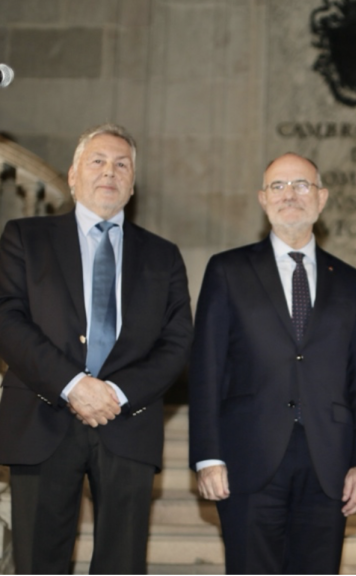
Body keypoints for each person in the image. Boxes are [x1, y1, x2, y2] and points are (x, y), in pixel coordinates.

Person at [0, 123, 193, 574]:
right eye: (98, 161)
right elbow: (7, 317)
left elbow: (178, 340)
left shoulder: (163, 256)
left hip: (129, 422)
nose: (110, 171)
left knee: (122, 565)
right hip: (41, 419)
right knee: (38, 563)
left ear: (132, 184)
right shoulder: (25, 238)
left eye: (122, 164)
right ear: (71, 175)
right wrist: (72, 385)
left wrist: (116, 394)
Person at [188, 153, 356, 574]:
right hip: (246, 458)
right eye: (278, 186)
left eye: (301, 185)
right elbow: (206, 369)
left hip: (329, 464)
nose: (289, 195)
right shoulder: (227, 270)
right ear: (262, 198)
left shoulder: (350, 281)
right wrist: (207, 456)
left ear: (322, 198)